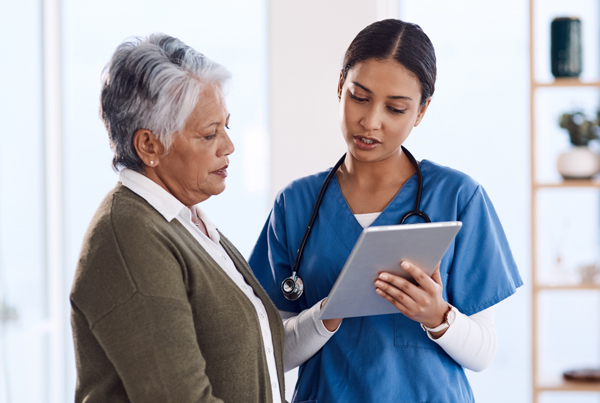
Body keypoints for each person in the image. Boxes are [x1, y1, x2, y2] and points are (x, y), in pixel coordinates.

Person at [249, 19, 523, 402]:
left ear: (422, 111)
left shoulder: (459, 197)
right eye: (359, 97)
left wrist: (437, 316)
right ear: (339, 84)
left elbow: (484, 352)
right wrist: (326, 314)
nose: (370, 121)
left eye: (395, 108)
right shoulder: (295, 205)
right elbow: (269, 353)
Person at [71, 33, 301, 402]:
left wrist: (327, 317)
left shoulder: (187, 223)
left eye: (226, 126)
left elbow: (252, 349)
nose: (228, 146)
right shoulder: (130, 236)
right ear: (149, 145)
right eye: (210, 134)